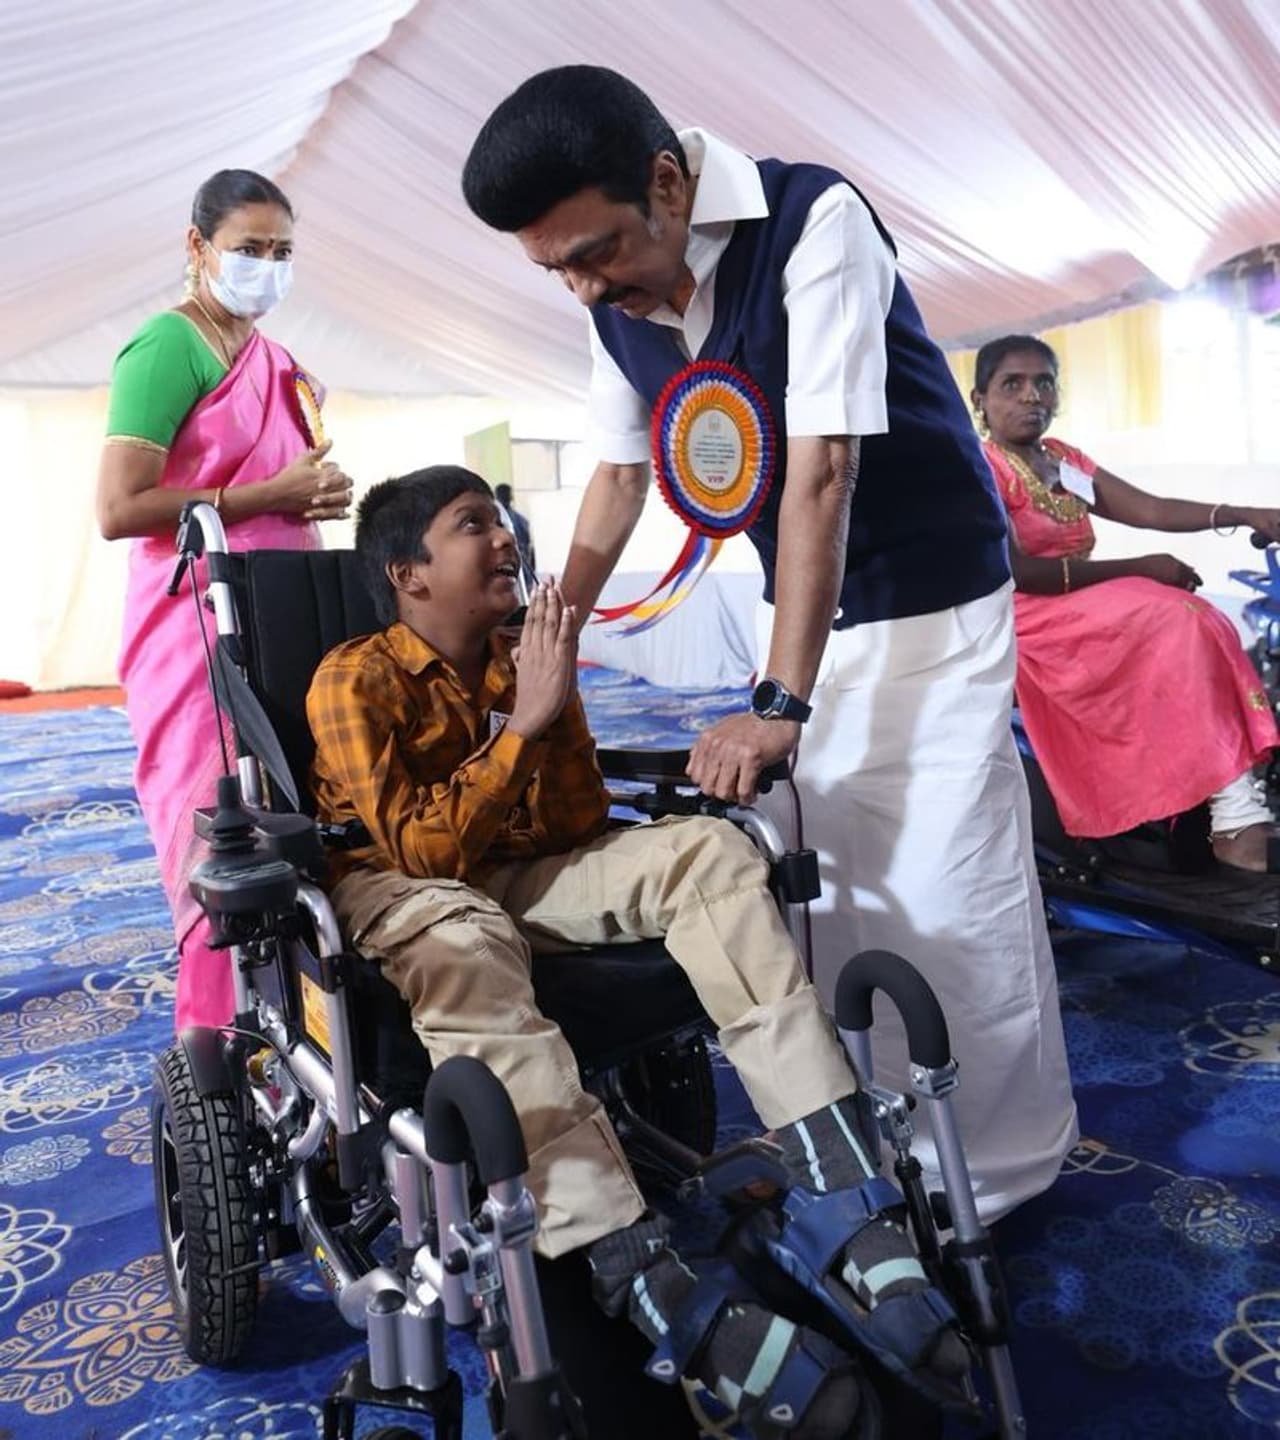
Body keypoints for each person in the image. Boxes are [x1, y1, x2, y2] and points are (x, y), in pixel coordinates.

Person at [461, 66, 1076, 1221]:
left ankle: (989, 1177)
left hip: (928, 596)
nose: (584, 286)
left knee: (945, 879)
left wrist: (779, 704)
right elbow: (617, 476)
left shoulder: (813, 220)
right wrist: (541, 633)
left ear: (666, 183)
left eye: (593, 253)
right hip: (800, 604)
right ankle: (881, 1138)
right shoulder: (611, 301)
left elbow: (824, 469)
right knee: (829, 881)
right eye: (556, 271)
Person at [306, 467, 968, 1438]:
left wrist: (547, 701)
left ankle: (840, 1187)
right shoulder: (353, 677)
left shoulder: (526, 655)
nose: (506, 537)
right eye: (473, 524)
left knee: (709, 850)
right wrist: (525, 725)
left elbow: (577, 823)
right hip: (397, 886)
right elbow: (420, 852)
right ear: (409, 573)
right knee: (465, 935)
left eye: (502, 519)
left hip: (520, 871)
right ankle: (634, 1267)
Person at [95, 169, 353, 1032]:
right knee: (223, 830)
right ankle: (215, 1036)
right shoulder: (169, 346)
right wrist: (265, 497)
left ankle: (303, 1022)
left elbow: (284, 476)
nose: (267, 268)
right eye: (249, 249)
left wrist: (314, 495)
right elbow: (118, 508)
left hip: (280, 610)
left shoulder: (277, 361)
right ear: (198, 246)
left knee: (296, 813)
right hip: (195, 622)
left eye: (282, 251)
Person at [972, 334, 1280, 869]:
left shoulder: (1062, 459)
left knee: (1200, 616)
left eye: (1044, 383)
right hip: (1032, 615)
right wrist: (1141, 567)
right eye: (1012, 384)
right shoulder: (982, 467)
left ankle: (1225, 799)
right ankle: (1235, 814)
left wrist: (1240, 513)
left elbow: (1150, 509)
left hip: (1083, 604)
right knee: (1175, 616)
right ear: (980, 400)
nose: (1031, 396)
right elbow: (1021, 572)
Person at [495, 480, 537, 574]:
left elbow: (528, 547)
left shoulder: (519, 520)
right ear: (511, 497)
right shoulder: (522, 520)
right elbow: (528, 547)